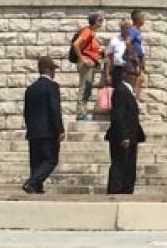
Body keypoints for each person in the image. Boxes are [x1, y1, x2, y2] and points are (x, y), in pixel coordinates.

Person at [22, 56, 65, 194]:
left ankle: (36, 187)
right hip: (48, 131)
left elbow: (26, 112)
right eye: (53, 69)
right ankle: (32, 182)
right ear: (48, 70)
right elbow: (54, 109)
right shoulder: (52, 86)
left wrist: (30, 128)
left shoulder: (31, 89)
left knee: (36, 161)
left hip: (34, 131)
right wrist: (60, 129)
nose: (54, 72)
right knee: (51, 159)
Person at [106, 66, 144, 194]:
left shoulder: (127, 91)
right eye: (134, 74)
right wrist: (124, 136)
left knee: (129, 166)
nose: (136, 76)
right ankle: (115, 191)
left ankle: (126, 190)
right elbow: (118, 115)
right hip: (123, 136)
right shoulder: (121, 91)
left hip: (132, 135)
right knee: (120, 164)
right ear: (126, 75)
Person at [72, 12, 104, 121]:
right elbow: (76, 44)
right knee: (84, 87)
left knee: (87, 88)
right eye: (99, 20)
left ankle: (83, 112)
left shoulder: (92, 33)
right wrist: (82, 59)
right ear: (94, 21)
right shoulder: (87, 31)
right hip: (86, 64)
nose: (101, 22)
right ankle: (81, 113)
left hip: (90, 64)